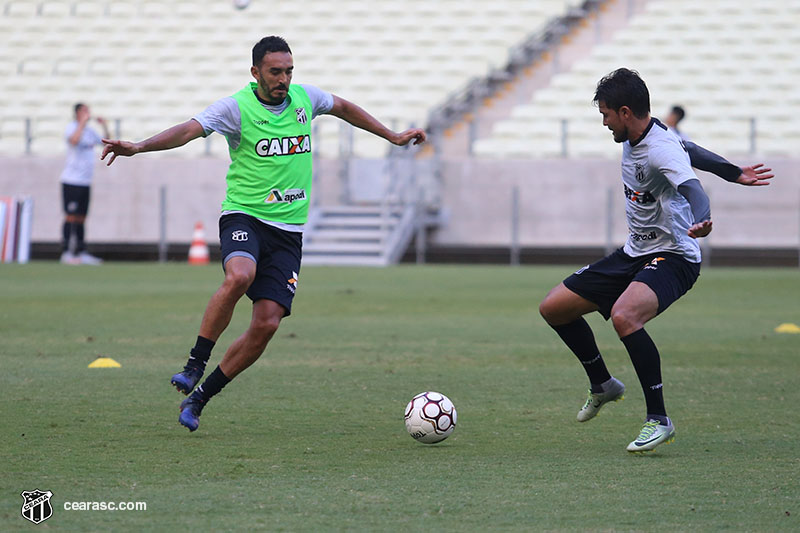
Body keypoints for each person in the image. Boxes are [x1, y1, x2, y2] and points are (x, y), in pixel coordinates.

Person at [100, 36, 426, 432]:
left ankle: (200, 397)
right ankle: (194, 364)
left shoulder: (306, 99)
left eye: (289, 71)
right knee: (240, 275)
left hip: (288, 232)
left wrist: (391, 136)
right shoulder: (236, 107)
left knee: (267, 324)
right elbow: (188, 130)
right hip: (245, 216)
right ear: (255, 72)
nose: (284, 79)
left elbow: (342, 107)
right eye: (275, 71)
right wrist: (138, 147)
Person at [538, 68, 773, 453]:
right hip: (635, 252)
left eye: (606, 115)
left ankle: (659, 420)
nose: (604, 122)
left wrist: (701, 217)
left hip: (675, 256)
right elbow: (690, 149)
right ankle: (603, 384)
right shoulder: (650, 133)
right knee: (554, 308)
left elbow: (693, 186)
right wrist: (733, 172)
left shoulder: (659, 148)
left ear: (626, 112)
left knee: (625, 316)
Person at [59, 103, 109, 265]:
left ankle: (81, 252)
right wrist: (81, 123)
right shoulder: (72, 127)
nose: (89, 113)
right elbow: (73, 141)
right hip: (71, 181)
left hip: (85, 181)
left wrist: (105, 126)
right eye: (85, 111)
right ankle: (67, 252)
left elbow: (106, 143)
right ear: (78, 113)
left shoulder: (90, 131)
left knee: (81, 217)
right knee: (71, 216)